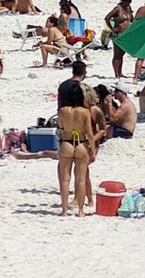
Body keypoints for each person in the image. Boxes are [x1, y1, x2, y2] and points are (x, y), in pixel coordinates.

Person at [57, 83, 95, 217]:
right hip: (81, 144)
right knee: (81, 179)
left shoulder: (62, 110)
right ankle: (80, 210)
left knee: (64, 179)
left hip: (67, 143)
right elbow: (89, 134)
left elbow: (61, 126)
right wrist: (93, 150)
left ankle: (64, 210)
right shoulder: (85, 112)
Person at [105, 0, 134, 79]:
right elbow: (107, 18)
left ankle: (120, 73)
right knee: (117, 55)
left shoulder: (128, 8)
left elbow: (132, 19)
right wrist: (112, 28)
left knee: (122, 54)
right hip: (118, 34)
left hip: (126, 34)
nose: (130, 2)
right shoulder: (118, 8)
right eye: (129, 0)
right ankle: (116, 74)